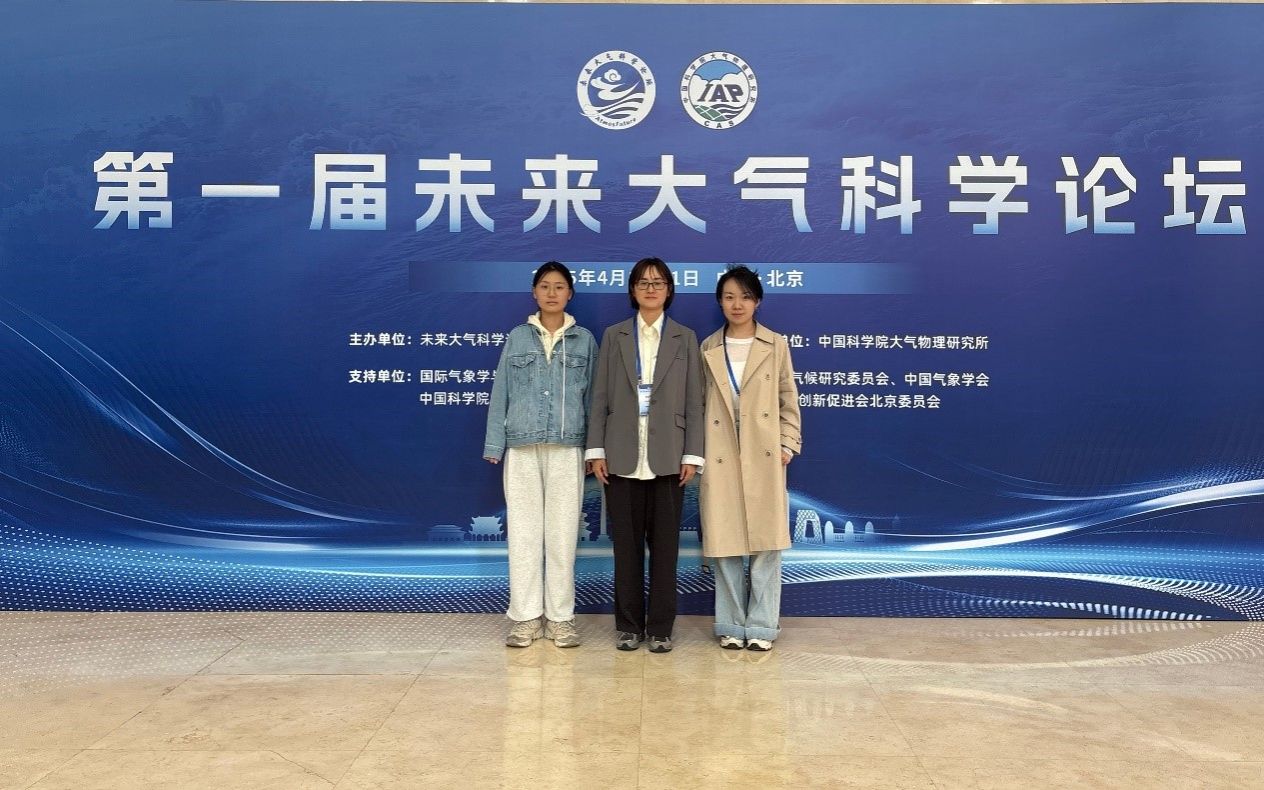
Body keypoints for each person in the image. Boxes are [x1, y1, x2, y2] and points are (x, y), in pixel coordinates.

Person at [586, 257, 704, 653]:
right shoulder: (614, 335)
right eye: (643, 282)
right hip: (621, 455)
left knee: (666, 551)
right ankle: (629, 626)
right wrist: (596, 449)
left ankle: (661, 628)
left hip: (669, 456)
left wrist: (693, 454)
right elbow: (599, 397)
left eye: (658, 282)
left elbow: (694, 401)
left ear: (669, 290)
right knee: (626, 549)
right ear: (633, 290)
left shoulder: (685, 337)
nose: (650, 289)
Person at [484, 262, 598, 648]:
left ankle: (561, 619)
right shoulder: (518, 337)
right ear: (534, 293)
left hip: (568, 448)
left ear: (570, 294)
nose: (552, 293)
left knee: (563, 537)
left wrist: (594, 448)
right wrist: (494, 444)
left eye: (559, 286)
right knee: (524, 535)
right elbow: (501, 391)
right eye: (545, 286)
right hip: (522, 447)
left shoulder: (584, 340)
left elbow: (594, 398)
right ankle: (526, 617)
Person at [699, 265, 802, 651]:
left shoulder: (775, 344)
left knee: (766, 542)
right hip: (721, 451)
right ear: (720, 302)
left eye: (744, 296)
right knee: (724, 541)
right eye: (728, 297)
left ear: (757, 301)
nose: (736, 304)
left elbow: (788, 398)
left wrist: (787, 443)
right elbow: (698, 403)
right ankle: (729, 622)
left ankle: (761, 626)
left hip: (763, 451)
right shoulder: (708, 347)